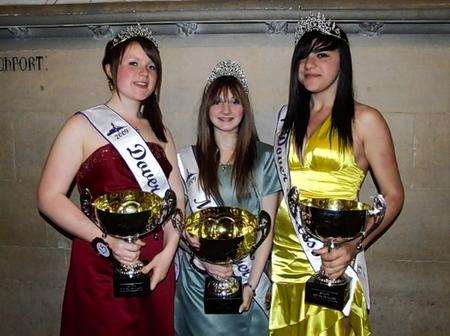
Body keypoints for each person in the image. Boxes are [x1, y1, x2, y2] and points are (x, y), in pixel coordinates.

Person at [37, 25, 183, 336]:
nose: (143, 72)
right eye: (133, 63)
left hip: (155, 262)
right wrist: (105, 241)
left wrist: (169, 250)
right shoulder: (82, 125)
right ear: (109, 69)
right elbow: (49, 197)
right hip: (101, 262)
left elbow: (175, 200)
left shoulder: (161, 131)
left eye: (151, 65)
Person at [269, 13, 404, 335]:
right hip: (286, 254)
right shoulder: (286, 118)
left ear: (343, 63)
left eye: (322, 54)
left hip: (332, 256)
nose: (309, 63)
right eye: (303, 55)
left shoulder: (365, 119)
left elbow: (394, 196)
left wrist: (354, 246)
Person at [175, 60, 281, 336]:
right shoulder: (186, 161)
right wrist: (201, 255)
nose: (225, 110)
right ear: (206, 109)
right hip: (199, 282)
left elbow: (266, 230)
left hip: (250, 280)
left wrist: (252, 285)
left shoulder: (264, 158)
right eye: (217, 102)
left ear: (245, 109)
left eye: (234, 101)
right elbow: (178, 227)